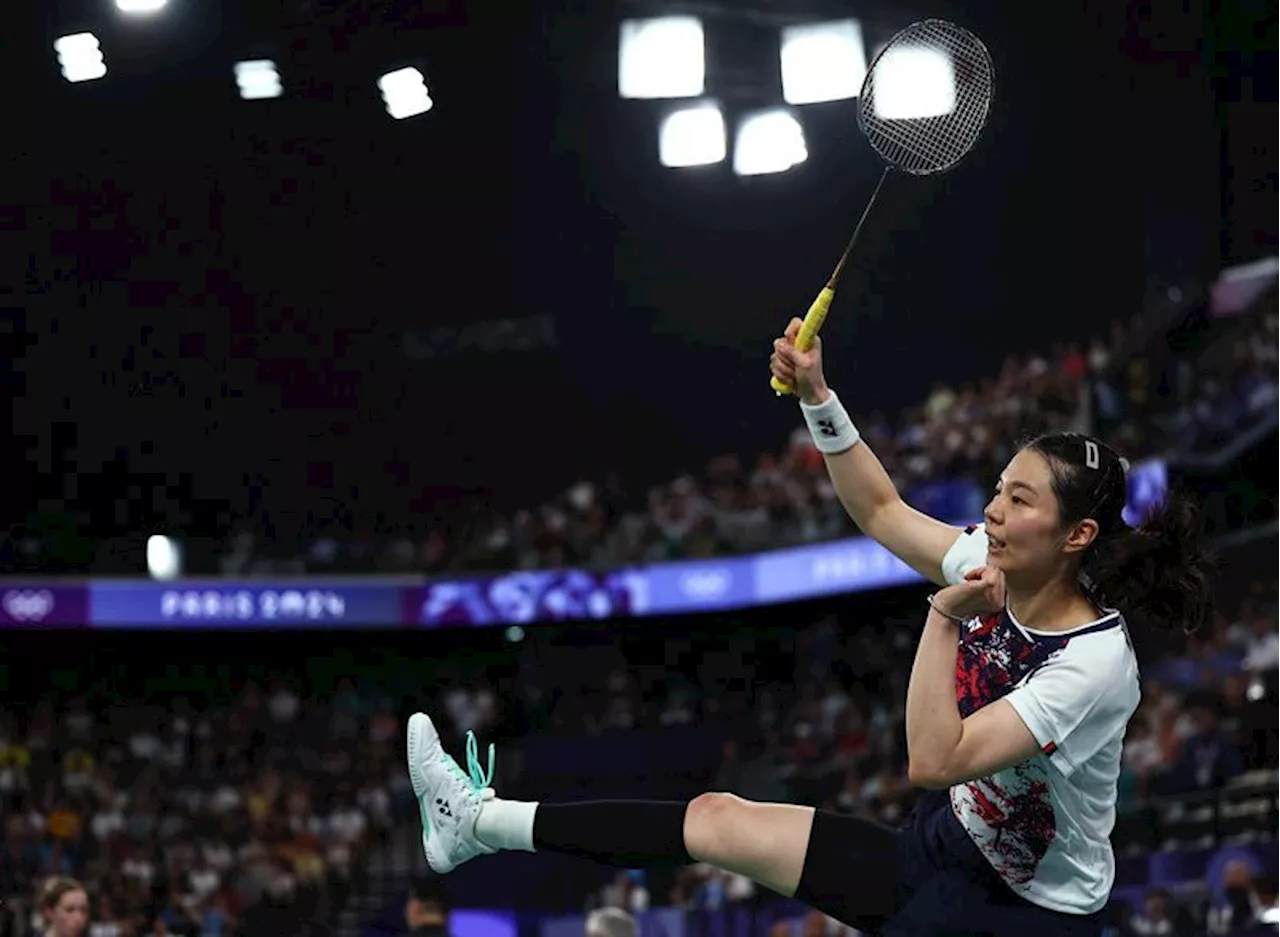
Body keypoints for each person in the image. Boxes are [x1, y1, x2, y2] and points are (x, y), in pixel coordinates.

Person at [405, 317, 1214, 936]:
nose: (993, 510)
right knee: (718, 816)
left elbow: (934, 757)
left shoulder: (1095, 661)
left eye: (1021, 500)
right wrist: (818, 396)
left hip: (1027, 912)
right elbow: (880, 507)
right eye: (999, 488)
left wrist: (941, 619)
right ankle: (477, 823)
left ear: (1077, 536)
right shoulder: (983, 558)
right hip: (945, 843)